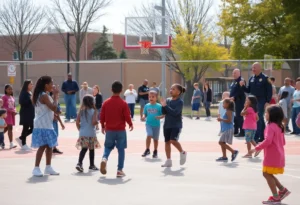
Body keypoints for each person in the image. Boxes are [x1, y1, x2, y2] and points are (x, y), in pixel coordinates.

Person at [249, 105, 291, 204]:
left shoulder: (270, 126)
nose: (265, 114)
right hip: (279, 154)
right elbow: (283, 142)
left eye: (266, 113)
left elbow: (268, 141)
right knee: (268, 173)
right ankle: (282, 190)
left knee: (266, 173)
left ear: (272, 115)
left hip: (272, 155)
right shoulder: (280, 126)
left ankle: (276, 197)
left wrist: (256, 148)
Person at [100, 81, 133, 178]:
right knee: (121, 149)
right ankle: (119, 170)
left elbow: (102, 115)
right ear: (121, 90)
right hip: (120, 130)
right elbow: (127, 115)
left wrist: (102, 125)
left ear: (111, 90)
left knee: (107, 147)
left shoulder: (106, 102)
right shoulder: (123, 103)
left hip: (109, 129)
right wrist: (130, 124)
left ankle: (104, 158)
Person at [31, 76, 60, 177]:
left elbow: (48, 110)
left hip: (46, 123)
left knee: (49, 146)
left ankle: (48, 167)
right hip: (42, 124)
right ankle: (36, 168)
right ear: (46, 85)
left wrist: (54, 115)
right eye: (51, 83)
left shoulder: (43, 95)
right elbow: (53, 107)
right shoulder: (43, 96)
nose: (53, 85)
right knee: (43, 146)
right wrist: (56, 96)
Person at [240, 62, 272, 142]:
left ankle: (256, 137)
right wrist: (242, 86)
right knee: (258, 119)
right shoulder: (251, 78)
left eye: (255, 67)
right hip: (253, 101)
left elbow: (269, 91)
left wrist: (267, 101)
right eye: (252, 67)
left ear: (259, 68)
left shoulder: (265, 78)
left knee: (258, 117)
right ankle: (262, 136)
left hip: (261, 100)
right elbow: (248, 90)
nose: (253, 69)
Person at [160, 84, 187, 167]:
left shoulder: (180, 102)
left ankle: (183, 152)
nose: (171, 90)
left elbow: (175, 113)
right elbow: (164, 112)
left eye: (173, 89)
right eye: (171, 89)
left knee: (173, 140)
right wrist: (163, 105)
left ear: (178, 92)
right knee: (167, 142)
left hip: (176, 125)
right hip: (167, 124)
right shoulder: (168, 100)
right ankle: (168, 160)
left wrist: (165, 106)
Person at [75, 95, 101, 172]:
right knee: (91, 149)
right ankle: (91, 165)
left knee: (83, 149)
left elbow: (77, 122)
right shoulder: (94, 111)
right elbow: (93, 122)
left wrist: (80, 129)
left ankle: (79, 163)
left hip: (83, 133)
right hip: (91, 133)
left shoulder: (81, 111)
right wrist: (98, 122)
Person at [141, 91, 164, 158]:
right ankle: (147, 149)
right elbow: (145, 113)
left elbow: (163, 115)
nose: (151, 98)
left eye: (153, 97)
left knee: (155, 139)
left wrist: (159, 117)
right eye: (150, 97)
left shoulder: (159, 106)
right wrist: (143, 116)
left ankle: (155, 151)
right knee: (149, 135)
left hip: (156, 125)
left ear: (156, 98)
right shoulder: (147, 105)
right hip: (149, 124)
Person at [16, 80, 34, 151]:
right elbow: (21, 102)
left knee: (33, 128)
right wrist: (30, 99)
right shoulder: (23, 93)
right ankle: (23, 144)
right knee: (25, 127)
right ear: (27, 85)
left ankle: (21, 138)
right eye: (31, 84)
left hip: (31, 113)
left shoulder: (30, 92)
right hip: (25, 113)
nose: (32, 85)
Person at [230, 69, 246, 137]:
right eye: (233, 73)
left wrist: (234, 97)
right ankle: (236, 130)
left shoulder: (241, 80)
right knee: (236, 116)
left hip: (239, 100)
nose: (234, 74)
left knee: (239, 116)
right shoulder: (234, 81)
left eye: (235, 73)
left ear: (239, 73)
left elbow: (240, 91)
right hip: (234, 101)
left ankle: (242, 131)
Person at [49, 89, 65, 154]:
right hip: (51, 121)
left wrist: (61, 123)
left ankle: (54, 148)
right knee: (52, 135)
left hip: (55, 121)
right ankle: (50, 148)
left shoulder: (57, 102)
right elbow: (55, 112)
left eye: (58, 95)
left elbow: (57, 113)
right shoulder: (51, 102)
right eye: (56, 94)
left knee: (55, 135)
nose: (57, 96)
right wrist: (61, 123)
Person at [2, 84, 17, 149]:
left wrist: (15, 111)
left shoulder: (12, 97)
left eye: (11, 89)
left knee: (5, 129)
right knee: (9, 128)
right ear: (6, 90)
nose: (10, 90)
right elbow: (2, 106)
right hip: (6, 115)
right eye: (9, 89)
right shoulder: (4, 97)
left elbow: (14, 106)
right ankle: (11, 143)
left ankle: (9, 142)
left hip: (11, 115)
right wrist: (10, 111)